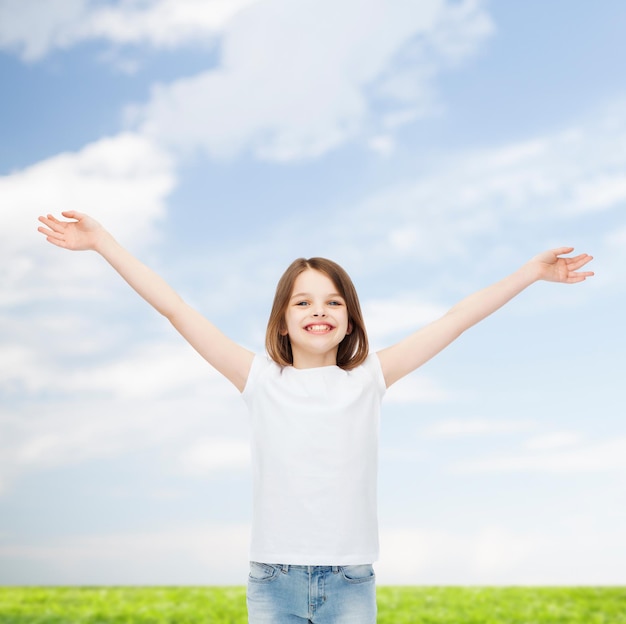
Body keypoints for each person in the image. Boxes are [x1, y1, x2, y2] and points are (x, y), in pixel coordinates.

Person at [37, 211, 594, 624]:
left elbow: (457, 318)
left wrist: (530, 273)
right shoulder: (258, 378)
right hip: (272, 581)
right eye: (302, 302)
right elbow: (175, 307)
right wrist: (103, 242)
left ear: (349, 321)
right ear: (282, 321)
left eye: (332, 301)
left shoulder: (369, 379)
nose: (318, 311)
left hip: (351, 582)